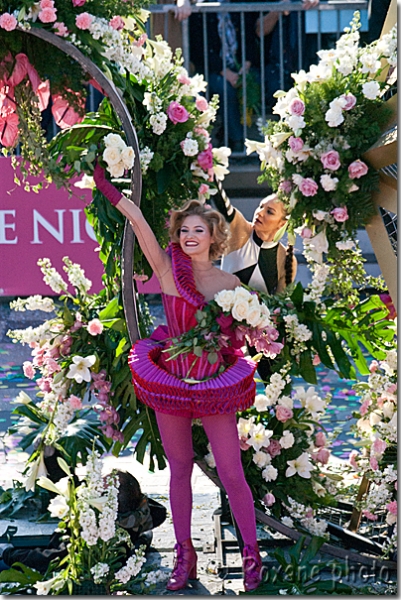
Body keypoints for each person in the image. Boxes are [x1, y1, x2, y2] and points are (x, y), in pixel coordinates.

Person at [93, 163, 262, 592]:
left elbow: (246, 333)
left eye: (198, 231)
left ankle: (251, 555)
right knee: (180, 468)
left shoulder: (229, 284)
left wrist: (236, 335)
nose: (190, 237)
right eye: (184, 230)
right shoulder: (168, 272)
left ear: (213, 236)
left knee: (231, 472)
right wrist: (110, 192)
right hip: (171, 381)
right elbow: (140, 223)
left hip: (215, 385)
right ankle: (184, 558)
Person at [0, 471, 167, 573]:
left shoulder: (94, 536)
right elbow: (157, 510)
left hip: (43, 559)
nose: (92, 486)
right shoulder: (136, 514)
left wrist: (8, 553)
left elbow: (50, 558)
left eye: (98, 488)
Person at [213, 180, 297, 381]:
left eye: (269, 212)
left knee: (274, 381)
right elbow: (225, 207)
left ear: (282, 223)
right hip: (222, 327)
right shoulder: (241, 232)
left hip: (259, 336)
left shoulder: (287, 259)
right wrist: (210, 173)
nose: (259, 213)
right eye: (261, 206)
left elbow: (281, 308)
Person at [189, 0, 257, 151]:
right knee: (224, 89)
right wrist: (226, 73)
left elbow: (250, 40)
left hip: (238, 67)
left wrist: (246, 65)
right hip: (210, 70)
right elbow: (200, 50)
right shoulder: (201, 10)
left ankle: (256, 138)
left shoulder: (236, 8)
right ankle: (237, 142)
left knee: (258, 82)